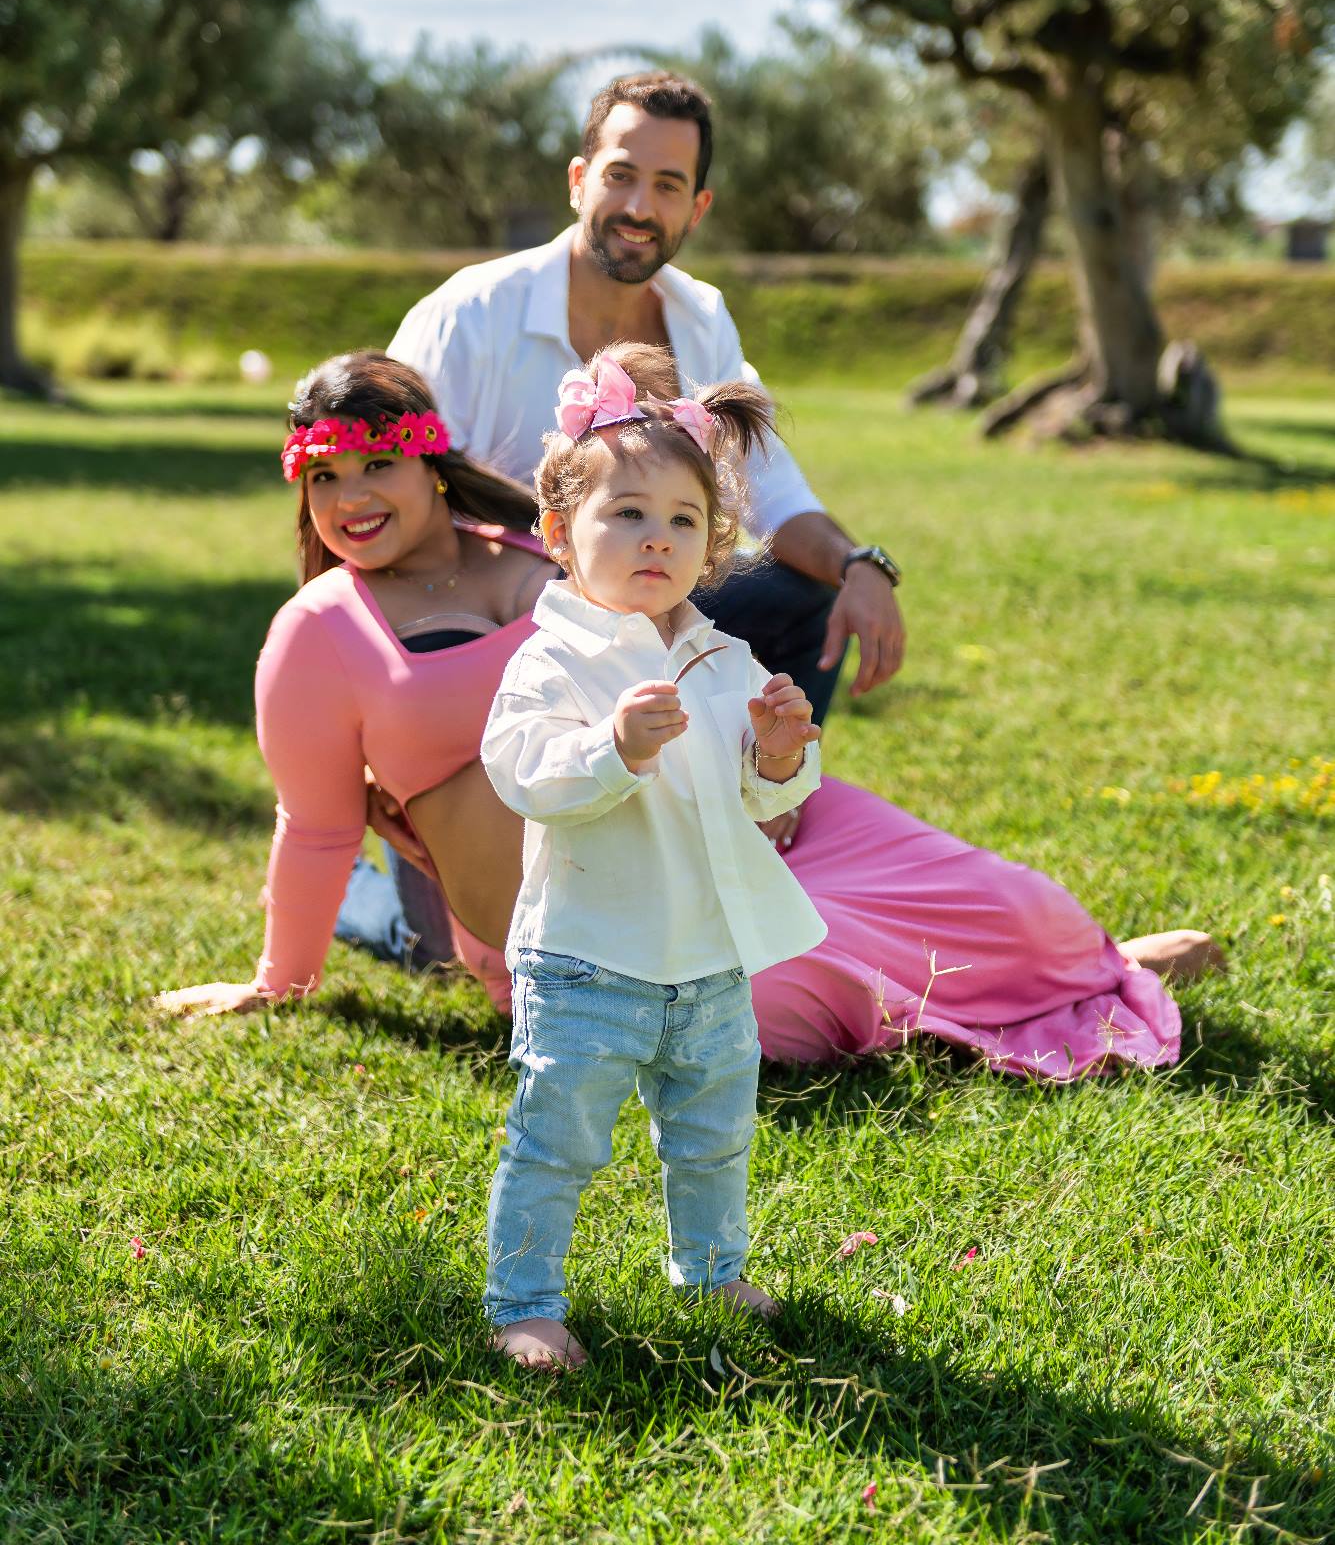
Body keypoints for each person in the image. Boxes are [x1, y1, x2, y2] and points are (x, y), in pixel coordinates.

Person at [161, 346, 1212, 1086]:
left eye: (376, 464)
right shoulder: (317, 633)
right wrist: (276, 982)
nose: (352, 498)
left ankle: (1091, 961)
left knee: (1016, 900)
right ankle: (1027, 998)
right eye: (323, 477)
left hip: (742, 821)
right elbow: (316, 826)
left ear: (431, 461)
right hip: (602, 928)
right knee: (775, 1004)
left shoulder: (554, 549)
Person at [337, 67, 904, 960]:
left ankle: (752, 800)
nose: (639, 205)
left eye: (667, 186)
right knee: (441, 944)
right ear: (577, 180)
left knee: (802, 593)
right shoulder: (468, 315)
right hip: (486, 638)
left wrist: (860, 566)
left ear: (697, 207)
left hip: (632, 614)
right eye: (620, 175)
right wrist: (367, 700)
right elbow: (368, 495)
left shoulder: (700, 320)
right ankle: (373, 899)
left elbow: (770, 490)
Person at [480, 347, 826, 1370]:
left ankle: (711, 1267)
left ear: (711, 544)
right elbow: (524, 772)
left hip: (706, 959)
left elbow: (759, 798)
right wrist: (613, 750)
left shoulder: (724, 657)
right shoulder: (551, 658)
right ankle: (525, 1300)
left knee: (713, 1134)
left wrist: (777, 753)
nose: (654, 538)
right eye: (626, 513)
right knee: (558, 1139)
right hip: (589, 957)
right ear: (558, 533)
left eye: (682, 519)